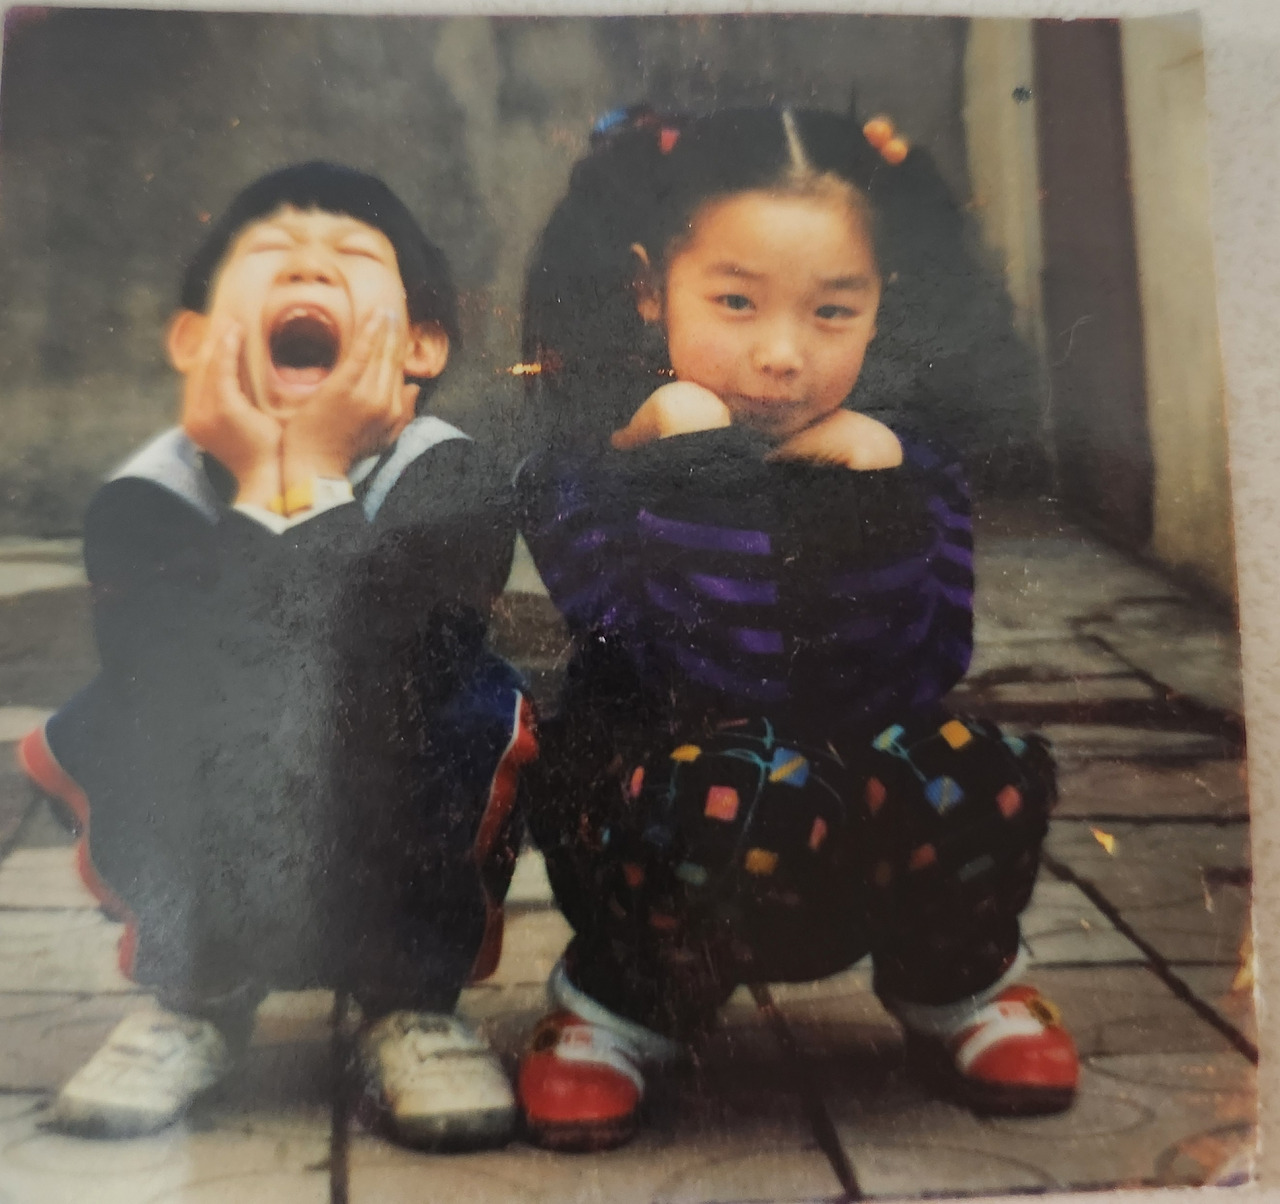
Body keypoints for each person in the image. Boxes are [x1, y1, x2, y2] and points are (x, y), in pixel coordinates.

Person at [513, 106, 1077, 1152]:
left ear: (878, 307)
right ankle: (619, 1008)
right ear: (651, 288)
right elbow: (676, 660)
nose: (781, 355)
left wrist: (860, 502)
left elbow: (916, 671)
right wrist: (687, 470)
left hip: (842, 838)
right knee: (737, 782)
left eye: (831, 311)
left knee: (974, 763)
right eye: (735, 301)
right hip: (671, 840)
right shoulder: (589, 473)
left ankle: (955, 982)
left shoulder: (906, 466)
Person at [16, 162, 536, 1149]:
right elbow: (172, 677)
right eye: (267, 259)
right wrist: (268, 475)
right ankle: (194, 997)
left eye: (350, 258)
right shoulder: (147, 494)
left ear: (421, 344)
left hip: (393, 780)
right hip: (215, 790)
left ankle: (411, 1003)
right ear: (195, 340)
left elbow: (394, 672)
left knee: (465, 707)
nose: (306, 273)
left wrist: (309, 476)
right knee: (140, 716)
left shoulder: (449, 476)